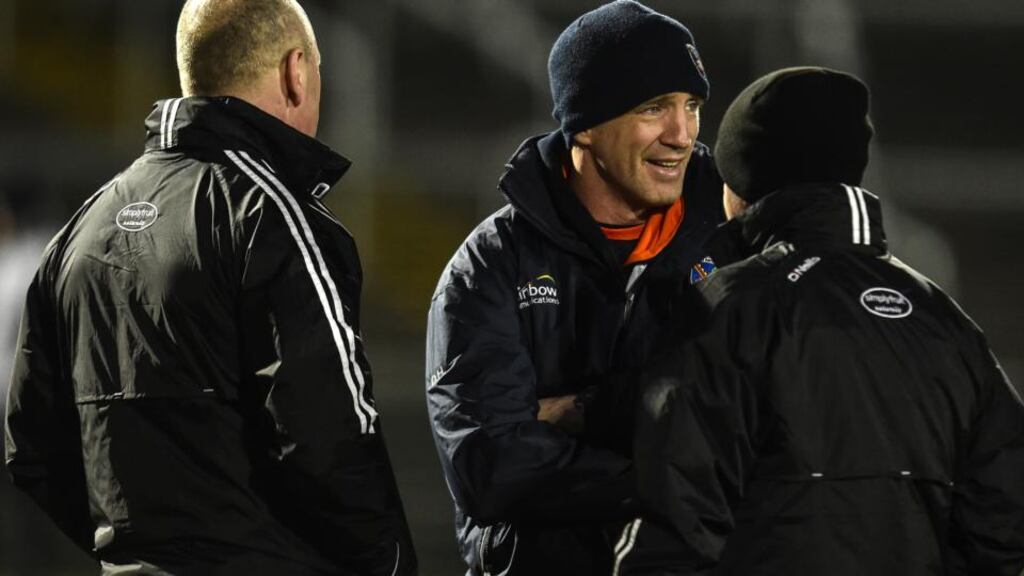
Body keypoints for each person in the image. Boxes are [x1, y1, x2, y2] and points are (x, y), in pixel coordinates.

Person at [3, 1, 417, 574]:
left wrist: (135, 555)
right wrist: (388, 563)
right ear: (297, 71)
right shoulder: (275, 220)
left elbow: (30, 447)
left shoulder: (77, 235)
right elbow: (328, 433)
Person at [628, 67, 1024, 575]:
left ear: (743, 180)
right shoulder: (944, 319)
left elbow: (673, 523)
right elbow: (1005, 526)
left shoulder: (730, 306)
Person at [425, 1, 723, 574]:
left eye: (692, 106)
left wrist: (580, 411)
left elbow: (761, 427)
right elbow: (491, 468)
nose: (682, 134)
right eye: (654, 107)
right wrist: (675, 473)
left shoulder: (732, 243)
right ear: (584, 124)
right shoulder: (489, 266)